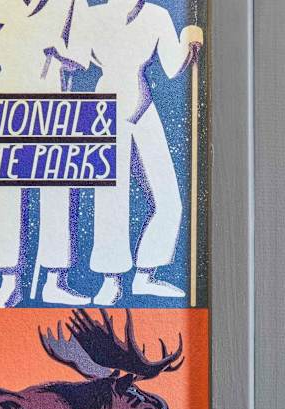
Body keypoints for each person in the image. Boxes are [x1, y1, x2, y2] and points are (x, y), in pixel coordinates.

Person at [66, 0, 203, 304]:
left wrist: (189, 40)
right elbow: (76, 59)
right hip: (105, 107)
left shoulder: (158, 15)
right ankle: (110, 281)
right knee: (110, 201)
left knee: (169, 198)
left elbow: (172, 66)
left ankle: (145, 275)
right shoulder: (91, 15)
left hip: (143, 107)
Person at [0, 0, 90, 306]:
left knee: (57, 189)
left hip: (53, 99)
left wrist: (61, 52)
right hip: (8, 99)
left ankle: (55, 281)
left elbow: (82, 58)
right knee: (5, 191)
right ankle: (9, 284)